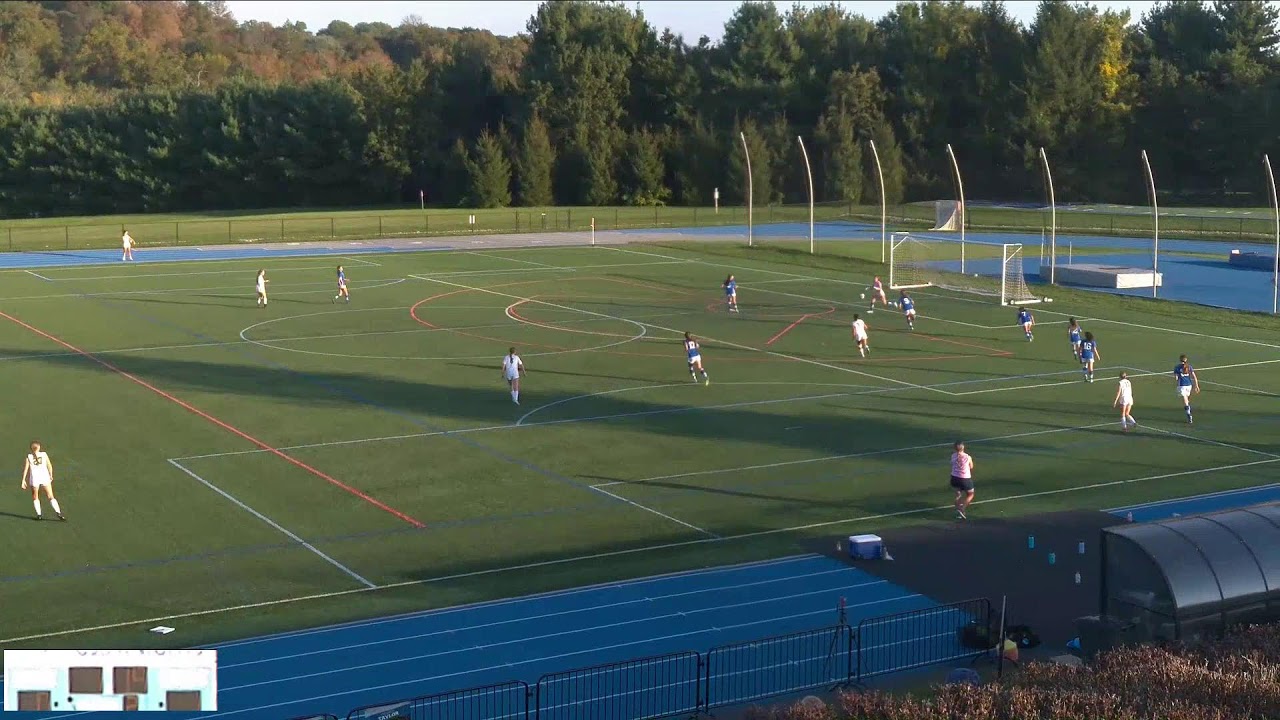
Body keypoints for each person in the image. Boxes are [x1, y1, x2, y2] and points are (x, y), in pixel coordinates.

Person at [22, 441, 64, 521]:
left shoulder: (29, 457)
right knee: (51, 496)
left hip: (35, 479)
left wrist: (23, 480)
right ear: (39, 447)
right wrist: (51, 475)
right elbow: (49, 466)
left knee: (35, 497)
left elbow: (26, 469)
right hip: (44, 477)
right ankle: (58, 512)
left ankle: (39, 515)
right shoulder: (44, 454)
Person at [950, 441, 975, 520]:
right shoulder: (968, 457)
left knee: (958, 495)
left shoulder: (953, 456)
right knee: (970, 494)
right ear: (963, 447)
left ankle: (959, 510)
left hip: (954, 478)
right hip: (965, 479)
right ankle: (962, 508)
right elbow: (971, 467)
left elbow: (952, 463)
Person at [1174, 354, 1200, 423]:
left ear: (1180, 360)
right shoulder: (1189, 367)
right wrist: (1196, 385)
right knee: (1187, 399)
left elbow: (1176, 378)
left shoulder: (1177, 367)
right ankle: (1188, 409)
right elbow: (1194, 377)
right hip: (1189, 385)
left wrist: (1178, 376)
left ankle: (1188, 413)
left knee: (1185, 400)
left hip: (1182, 385)